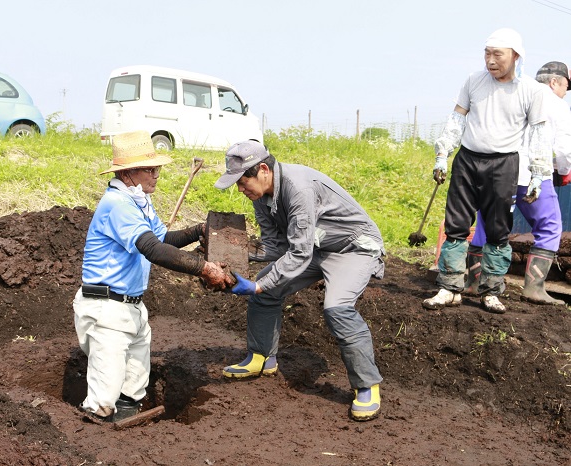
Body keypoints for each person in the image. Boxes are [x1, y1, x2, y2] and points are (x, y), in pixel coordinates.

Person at [214, 140, 386, 422]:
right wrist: (232, 252)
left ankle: (366, 385)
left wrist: (257, 285)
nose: (241, 190)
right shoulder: (261, 197)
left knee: (337, 308)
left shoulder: (299, 188)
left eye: (243, 182)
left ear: (263, 170)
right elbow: (275, 247)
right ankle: (261, 357)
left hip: (352, 248)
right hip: (314, 247)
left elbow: (299, 253)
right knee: (266, 288)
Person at [74, 130, 233, 423]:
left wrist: (196, 231)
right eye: (150, 168)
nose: (156, 174)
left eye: (157, 167)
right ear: (128, 173)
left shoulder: (138, 201)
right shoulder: (118, 205)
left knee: (133, 388)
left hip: (130, 308)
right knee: (102, 400)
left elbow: (162, 239)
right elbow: (152, 249)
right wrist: (204, 268)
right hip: (106, 309)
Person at [423, 28, 549, 314]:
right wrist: (443, 153)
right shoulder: (473, 81)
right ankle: (449, 287)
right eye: (487, 54)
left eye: (497, 55)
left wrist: (538, 173)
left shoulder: (531, 90)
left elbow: (539, 135)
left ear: (515, 56)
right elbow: (457, 119)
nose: (491, 61)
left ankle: (490, 291)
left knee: (497, 230)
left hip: (503, 164)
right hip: (467, 159)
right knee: (456, 225)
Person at [465, 61, 571, 306]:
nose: (566, 91)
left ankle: (472, 283)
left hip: (495, 169)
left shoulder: (517, 93)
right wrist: (564, 171)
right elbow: (564, 149)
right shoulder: (556, 103)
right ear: (554, 82)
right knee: (549, 225)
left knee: (487, 224)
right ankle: (534, 288)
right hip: (531, 172)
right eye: (566, 85)